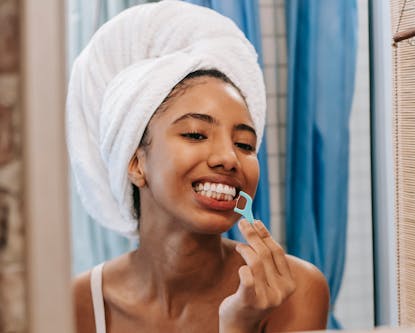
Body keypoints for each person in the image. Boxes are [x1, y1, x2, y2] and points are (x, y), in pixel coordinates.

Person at [67, 1, 329, 332]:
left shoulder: (294, 292)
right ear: (135, 163)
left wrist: (239, 326)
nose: (229, 158)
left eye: (245, 144)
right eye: (195, 134)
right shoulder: (77, 305)